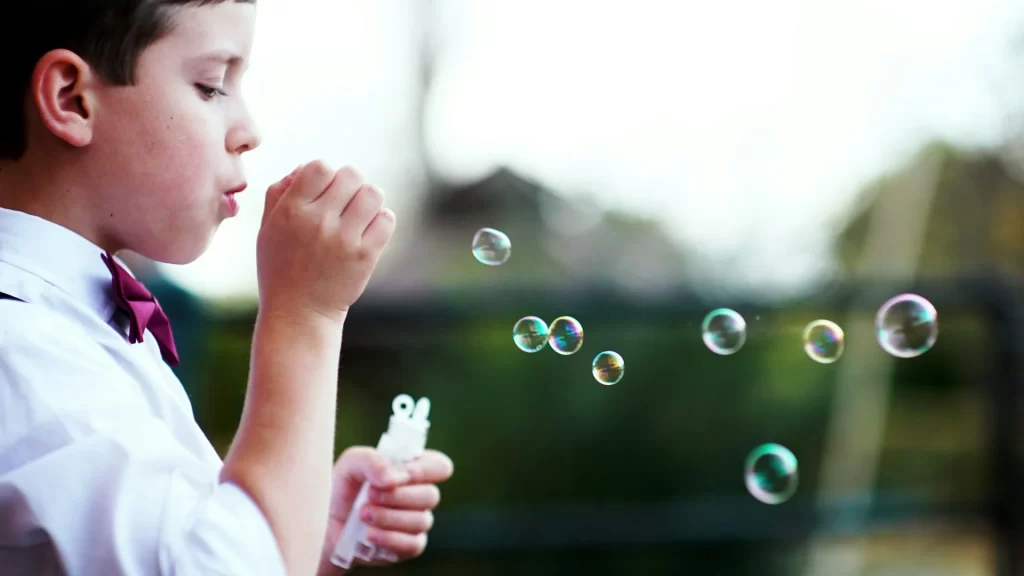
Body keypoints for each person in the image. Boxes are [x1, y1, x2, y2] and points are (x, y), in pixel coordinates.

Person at [0, 1, 453, 575]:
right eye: (211, 86)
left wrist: (301, 524)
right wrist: (305, 316)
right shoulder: (21, 349)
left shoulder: (66, 324)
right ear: (71, 99)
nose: (250, 132)